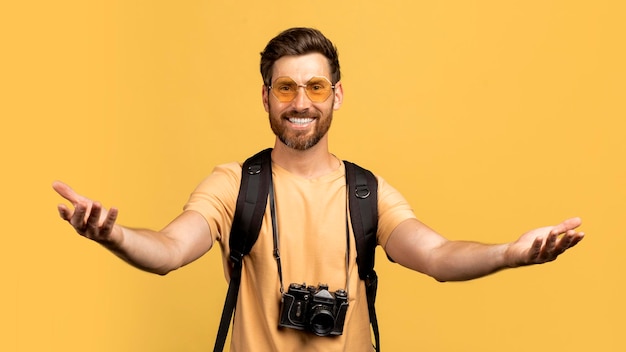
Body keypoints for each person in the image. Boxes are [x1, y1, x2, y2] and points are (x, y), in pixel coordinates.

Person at [53, 27, 585, 351]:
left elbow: (439, 255)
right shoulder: (236, 184)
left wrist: (510, 254)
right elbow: (169, 249)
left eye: (315, 86)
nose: (301, 102)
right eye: (285, 87)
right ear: (265, 98)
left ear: (337, 96)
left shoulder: (365, 193)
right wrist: (114, 236)